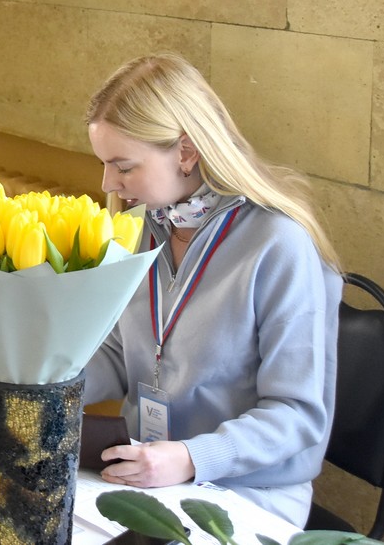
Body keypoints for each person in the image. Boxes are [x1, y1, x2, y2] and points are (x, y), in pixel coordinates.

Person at [83, 53, 342, 527]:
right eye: (104, 164)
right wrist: (41, 387)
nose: (109, 184)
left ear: (185, 151)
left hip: (249, 492)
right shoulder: (143, 226)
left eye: (122, 165)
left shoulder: (278, 244)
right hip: (147, 473)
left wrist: (189, 458)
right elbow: (120, 354)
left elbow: (297, 414)